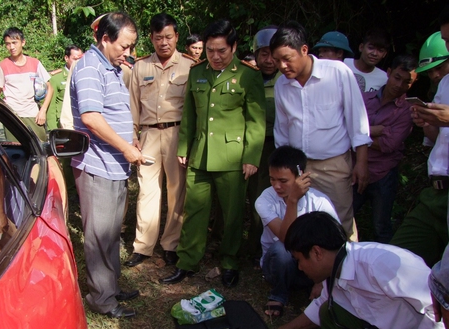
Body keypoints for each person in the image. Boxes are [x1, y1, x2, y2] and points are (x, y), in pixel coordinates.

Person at [252, 212, 449, 329]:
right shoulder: (337, 266)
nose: (300, 268)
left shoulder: (381, 263)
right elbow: (320, 305)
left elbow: (442, 312)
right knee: (328, 313)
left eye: (299, 260)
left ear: (317, 252)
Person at [159, 19, 266, 287]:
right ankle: (187, 262)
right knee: (194, 211)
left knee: (231, 215)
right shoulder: (197, 73)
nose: (215, 57)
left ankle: (229, 261)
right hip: (200, 154)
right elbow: (190, 116)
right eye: (210, 51)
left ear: (234, 47)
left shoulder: (248, 75)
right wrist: (184, 147)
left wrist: (252, 157)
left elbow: (256, 120)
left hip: (233, 157)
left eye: (222, 51)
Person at [271, 21, 371, 242]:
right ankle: (309, 272)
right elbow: (282, 131)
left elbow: (358, 121)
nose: (282, 66)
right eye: (277, 61)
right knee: (302, 222)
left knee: (339, 223)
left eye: (287, 58)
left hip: (333, 165)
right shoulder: (282, 85)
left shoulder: (337, 73)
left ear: (304, 50)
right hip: (298, 168)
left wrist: (361, 163)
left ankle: (344, 272)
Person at [70, 12, 142, 318]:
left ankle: (109, 286)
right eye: (123, 46)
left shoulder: (111, 67)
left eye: (131, 46)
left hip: (113, 166)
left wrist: (131, 139)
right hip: (97, 166)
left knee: (111, 232)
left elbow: (114, 112)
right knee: (99, 235)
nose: (128, 52)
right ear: (105, 39)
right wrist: (126, 146)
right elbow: (91, 118)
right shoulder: (89, 68)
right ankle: (101, 299)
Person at [124, 13, 195, 268]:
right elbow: (132, 105)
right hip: (149, 134)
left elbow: (192, 110)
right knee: (147, 190)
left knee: (177, 192)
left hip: (178, 134)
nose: (163, 42)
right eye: (158, 38)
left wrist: (189, 142)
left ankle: (171, 244)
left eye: (168, 37)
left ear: (176, 37)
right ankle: (143, 246)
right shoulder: (140, 67)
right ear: (151, 40)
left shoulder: (190, 66)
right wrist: (133, 137)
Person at [392, 10, 449, 267]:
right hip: (435, 190)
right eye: (447, 40)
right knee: (395, 260)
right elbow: (437, 139)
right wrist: (427, 123)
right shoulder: (445, 84)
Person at [255, 146, 339, 318]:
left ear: (301, 176)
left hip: (311, 268)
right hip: (276, 266)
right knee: (281, 248)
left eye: (283, 181)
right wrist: (292, 200)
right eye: (272, 179)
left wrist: (321, 280)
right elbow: (287, 239)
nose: (276, 186)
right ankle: (278, 294)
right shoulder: (265, 199)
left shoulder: (319, 201)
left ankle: (321, 285)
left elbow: (336, 243)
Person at [353, 55, 418, 243]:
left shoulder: (407, 111)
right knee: (344, 217)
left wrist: (360, 134)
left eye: (407, 82)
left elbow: (389, 145)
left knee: (381, 226)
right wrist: (375, 131)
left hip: (383, 174)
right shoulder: (365, 98)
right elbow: (346, 128)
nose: (400, 85)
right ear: (388, 73)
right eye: (397, 77)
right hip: (356, 169)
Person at [243, 26, 281, 264]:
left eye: (272, 54)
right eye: (263, 54)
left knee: (263, 195)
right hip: (247, 144)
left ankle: (257, 244)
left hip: (274, 145)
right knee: (245, 194)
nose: (268, 60)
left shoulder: (287, 80)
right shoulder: (248, 78)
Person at [0, 27, 52, 142]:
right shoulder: (2, 66)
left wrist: (43, 110)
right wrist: (4, 114)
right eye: (8, 44)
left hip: (33, 115)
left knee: (40, 150)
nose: (12, 47)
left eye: (14, 42)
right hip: (12, 117)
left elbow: (50, 88)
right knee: (17, 153)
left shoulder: (35, 63)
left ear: (23, 42)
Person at [46, 45, 83, 130]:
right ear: (66, 58)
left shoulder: (82, 76)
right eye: (75, 59)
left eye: (80, 59)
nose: (78, 62)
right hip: (62, 124)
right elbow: (51, 106)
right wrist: (52, 129)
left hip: (78, 122)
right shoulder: (56, 78)